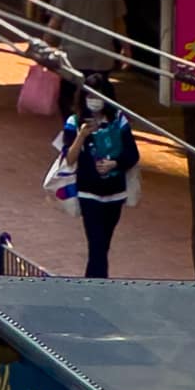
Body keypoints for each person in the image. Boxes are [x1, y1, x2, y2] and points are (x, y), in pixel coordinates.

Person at [53, 91, 139, 277]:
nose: (94, 101)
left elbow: (132, 154)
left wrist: (114, 163)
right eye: (89, 96)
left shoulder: (118, 121)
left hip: (114, 194)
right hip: (88, 194)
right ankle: (97, 285)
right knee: (97, 245)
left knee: (103, 245)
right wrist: (82, 135)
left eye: (98, 95)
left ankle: (95, 283)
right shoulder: (74, 122)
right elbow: (69, 158)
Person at [47, 0, 128, 120]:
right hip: (102, 53)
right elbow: (118, 21)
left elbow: (56, 20)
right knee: (100, 94)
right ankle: (99, 126)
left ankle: (73, 129)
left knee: (66, 95)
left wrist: (45, 44)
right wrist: (126, 48)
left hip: (72, 55)